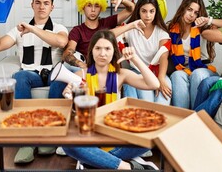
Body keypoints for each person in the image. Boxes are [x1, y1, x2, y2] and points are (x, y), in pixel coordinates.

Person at [0, 0, 69, 163]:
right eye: (37, 2)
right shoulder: (18, 31)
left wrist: (31, 28)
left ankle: (49, 136)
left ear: (52, 7)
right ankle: (28, 141)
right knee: (20, 76)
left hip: (53, 72)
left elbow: (61, 42)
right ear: (32, 5)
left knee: (60, 76)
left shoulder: (59, 28)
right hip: (31, 74)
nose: (41, 7)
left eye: (46, 3)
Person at [59, 30, 160, 170]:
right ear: (91, 50)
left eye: (107, 48)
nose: (102, 53)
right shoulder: (80, 75)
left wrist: (135, 58)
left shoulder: (121, 75)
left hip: (116, 138)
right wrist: (68, 98)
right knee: (68, 145)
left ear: (114, 51)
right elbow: (72, 118)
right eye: (98, 48)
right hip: (89, 138)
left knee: (154, 136)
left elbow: (154, 84)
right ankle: (128, 167)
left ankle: (96, 161)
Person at [168, 0, 222, 109]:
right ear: (183, 8)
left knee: (197, 73)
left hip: (204, 69)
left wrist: (208, 20)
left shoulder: (203, 28)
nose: (191, 15)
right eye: (189, 9)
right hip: (182, 68)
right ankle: (183, 116)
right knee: (176, 75)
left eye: (196, 13)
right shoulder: (171, 28)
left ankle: (196, 114)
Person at [117, 0, 172, 105]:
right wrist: (130, 26)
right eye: (144, 11)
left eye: (151, 11)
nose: (148, 15)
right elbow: (109, 35)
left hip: (158, 72)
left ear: (156, 12)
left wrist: (161, 78)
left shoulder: (161, 33)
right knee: (148, 103)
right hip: (138, 72)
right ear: (138, 11)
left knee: (163, 102)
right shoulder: (131, 29)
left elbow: (163, 57)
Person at [62, 0, 135, 70]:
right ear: (83, 7)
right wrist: (80, 64)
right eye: (89, 5)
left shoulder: (108, 22)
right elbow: (67, 53)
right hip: (90, 73)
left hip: (111, 71)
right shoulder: (77, 30)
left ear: (101, 8)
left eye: (96, 6)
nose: (93, 10)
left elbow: (131, 9)